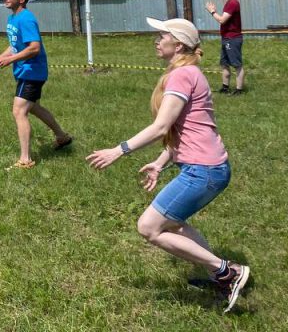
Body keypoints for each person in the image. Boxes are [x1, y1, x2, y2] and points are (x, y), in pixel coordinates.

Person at [86, 17, 250, 314]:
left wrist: (118, 150)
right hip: (208, 168)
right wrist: (161, 162)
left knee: (149, 227)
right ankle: (222, 275)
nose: (156, 39)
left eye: (162, 35)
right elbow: (187, 127)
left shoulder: (182, 75)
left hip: (204, 171)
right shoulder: (187, 72)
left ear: (178, 44)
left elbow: (162, 127)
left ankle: (228, 272)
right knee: (172, 224)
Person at [0, 0, 72, 168]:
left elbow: (34, 47)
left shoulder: (26, 19)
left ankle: (25, 160)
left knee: (19, 111)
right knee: (33, 107)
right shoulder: (12, 19)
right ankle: (61, 137)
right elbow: (15, 45)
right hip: (24, 70)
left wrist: (10, 60)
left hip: (32, 71)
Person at [205, 0, 245, 95]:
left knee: (237, 65)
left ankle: (239, 90)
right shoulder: (229, 2)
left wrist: (212, 12)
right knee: (224, 64)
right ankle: (225, 87)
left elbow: (222, 20)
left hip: (233, 38)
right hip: (226, 37)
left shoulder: (233, 3)